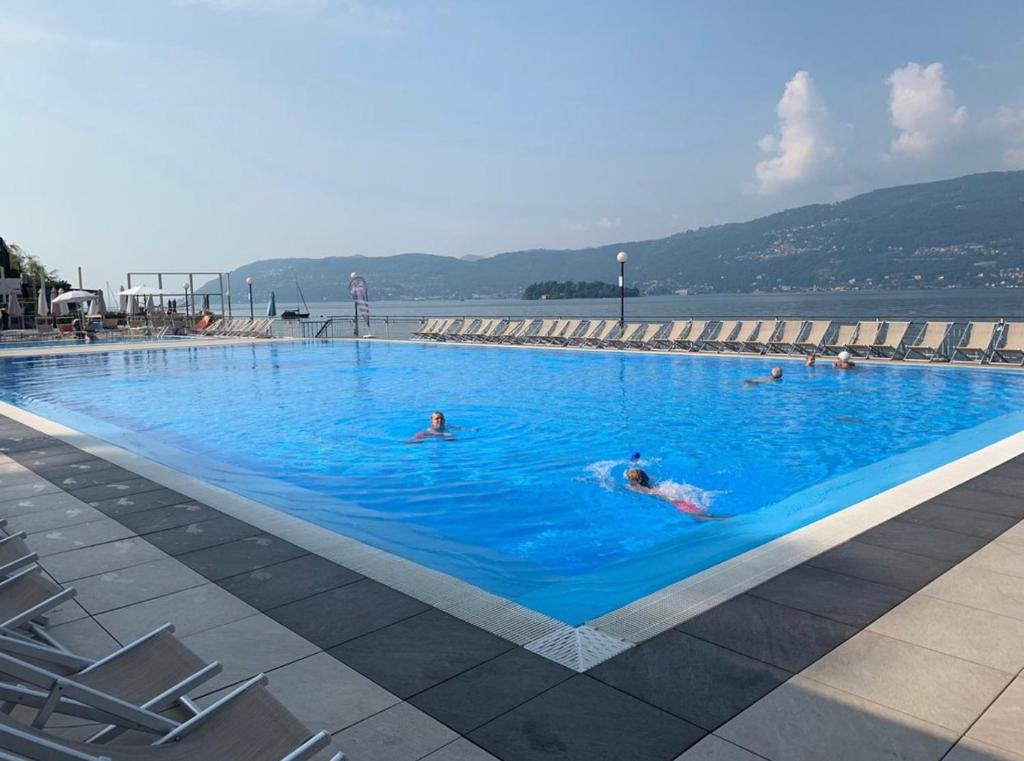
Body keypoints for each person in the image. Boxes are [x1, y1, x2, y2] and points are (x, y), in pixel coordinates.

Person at [625, 467, 722, 519]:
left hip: (671, 498)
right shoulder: (650, 482)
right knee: (697, 513)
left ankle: (718, 519)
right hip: (669, 492)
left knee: (698, 515)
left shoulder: (641, 489)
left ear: (635, 481)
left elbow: (631, 487)